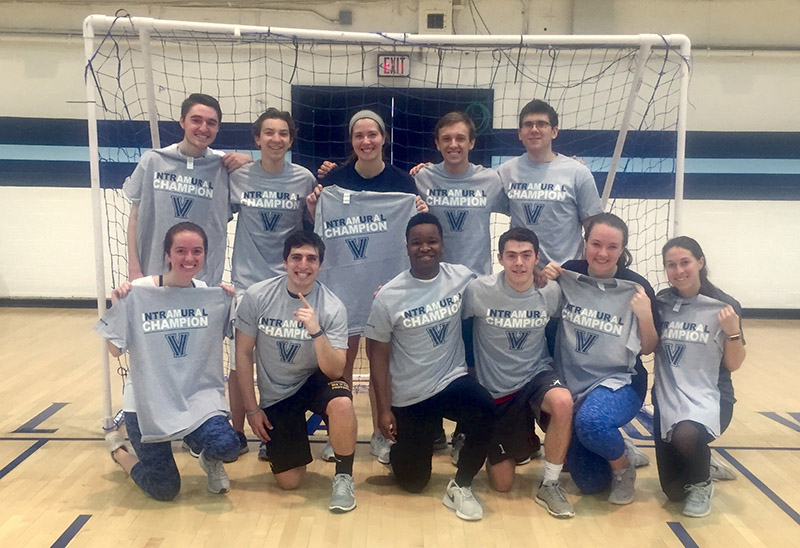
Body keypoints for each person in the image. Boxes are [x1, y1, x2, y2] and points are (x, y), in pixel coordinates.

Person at [306, 109, 428, 464]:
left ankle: (381, 432)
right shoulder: (333, 184)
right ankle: (338, 432)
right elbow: (320, 233)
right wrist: (316, 209)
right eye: (359, 136)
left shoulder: (404, 184)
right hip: (343, 287)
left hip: (385, 289)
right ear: (352, 141)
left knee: (382, 366)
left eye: (372, 134)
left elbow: (413, 232)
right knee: (340, 365)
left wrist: (418, 209)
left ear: (383, 137)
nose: (366, 141)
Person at [365, 213, 496, 521]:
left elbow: (499, 287)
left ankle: (461, 485)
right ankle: (399, 450)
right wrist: (384, 411)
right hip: (411, 395)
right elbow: (378, 359)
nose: (425, 248)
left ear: (442, 244)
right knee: (413, 482)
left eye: (432, 241)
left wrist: (542, 276)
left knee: (485, 407)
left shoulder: (461, 277)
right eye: (417, 242)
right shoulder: (388, 297)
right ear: (407, 247)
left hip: (450, 381)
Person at [99, 222, 240, 500]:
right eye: (181, 251)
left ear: (205, 255)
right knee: (164, 489)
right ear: (168, 254)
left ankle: (209, 459)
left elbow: (236, 331)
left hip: (194, 400)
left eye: (196, 251)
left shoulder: (208, 294)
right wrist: (118, 306)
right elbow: (115, 351)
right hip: (146, 405)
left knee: (228, 445)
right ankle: (119, 452)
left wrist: (228, 299)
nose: (189, 258)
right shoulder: (138, 291)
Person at [234, 231, 358, 513]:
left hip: (314, 380)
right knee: (289, 482)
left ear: (321, 265)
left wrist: (316, 331)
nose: (304, 265)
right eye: (297, 257)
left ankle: (344, 476)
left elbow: (336, 369)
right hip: (278, 392)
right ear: (284, 262)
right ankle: (294, 439)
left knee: (342, 403)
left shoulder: (332, 306)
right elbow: (242, 354)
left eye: (311, 259)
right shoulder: (257, 296)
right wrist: (252, 410)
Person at [545, 213, 659, 505]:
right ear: (585, 243)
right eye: (596, 244)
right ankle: (617, 445)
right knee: (591, 484)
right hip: (571, 383)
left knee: (593, 422)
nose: (603, 253)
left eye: (612, 247)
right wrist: (544, 277)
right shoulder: (569, 274)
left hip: (619, 381)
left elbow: (648, 348)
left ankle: (623, 469)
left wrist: (645, 315)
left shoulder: (636, 287)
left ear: (623, 250)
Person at [462, 227, 575, 518]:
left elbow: (555, 332)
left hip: (536, 377)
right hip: (497, 390)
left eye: (526, 256)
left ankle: (549, 484)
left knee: (563, 401)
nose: (519, 263)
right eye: (511, 256)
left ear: (537, 257)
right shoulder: (479, 291)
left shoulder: (550, 292)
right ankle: (522, 440)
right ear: (500, 258)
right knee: (502, 484)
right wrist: (470, 373)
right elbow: (462, 330)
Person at [227, 108, 316, 462]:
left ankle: (274, 429)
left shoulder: (304, 178)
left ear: (290, 140)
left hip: (288, 284)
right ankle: (235, 432)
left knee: (281, 360)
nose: (276, 139)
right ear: (257, 138)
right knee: (240, 361)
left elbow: (314, 220)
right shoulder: (238, 176)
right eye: (269, 133)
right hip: (247, 283)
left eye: (283, 133)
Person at [652, 236, 746, 517]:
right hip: (669, 399)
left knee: (687, 434)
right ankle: (704, 460)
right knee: (674, 491)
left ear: (700, 262)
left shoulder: (723, 305)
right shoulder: (661, 303)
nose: (678, 271)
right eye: (671, 265)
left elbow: (734, 363)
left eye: (685, 263)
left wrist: (733, 331)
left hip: (711, 397)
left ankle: (703, 481)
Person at [124, 93, 251, 286]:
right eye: (196, 120)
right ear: (182, 122)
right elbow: (134, 218)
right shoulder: (153, 160)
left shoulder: (223, 168)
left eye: (211, 123)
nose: (203, 128)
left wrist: (249, 162)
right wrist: (134, 268)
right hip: (153, 275)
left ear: (218, 128)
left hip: (202, 281)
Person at [497, 99, 603, 268]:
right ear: (519, 133)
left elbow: (594, 228)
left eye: (541, 124)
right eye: (528, 125)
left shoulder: (578, 172)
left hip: (566, 274)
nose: (534, 130)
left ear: (554, 131)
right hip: (524, 274)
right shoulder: (505, 172)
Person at [413, 111, 508, 275]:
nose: (453, 144)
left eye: (460, 138)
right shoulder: (422, 178)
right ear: (437, 143)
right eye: (446, 139)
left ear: (471, 143)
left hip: (477, 279)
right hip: (436, 280)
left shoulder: (490, 180)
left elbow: (521, 210)